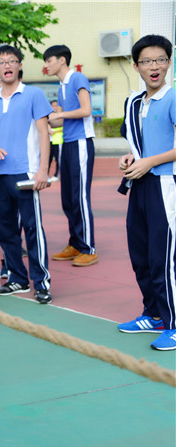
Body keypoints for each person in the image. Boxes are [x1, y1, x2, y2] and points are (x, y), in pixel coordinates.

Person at [0, 45, 53, 304]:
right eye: (1, 62)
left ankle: (41, 282)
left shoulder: (33, 94)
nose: (7, 65)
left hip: (25, 172)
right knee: (4, 229)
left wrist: (42, 170)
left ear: (20, 65)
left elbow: (44, 133)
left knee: (32, 228)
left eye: (12, 61)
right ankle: (17, 279)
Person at [116, 34, 176, 351]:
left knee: (163, 258)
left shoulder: (173, 98)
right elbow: (137, 145)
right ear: (136, 65)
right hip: (139, 183)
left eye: (160, 60)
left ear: (169, 62)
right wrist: (131, 158)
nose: (154, 67)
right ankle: (153, 314)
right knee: (140, 254)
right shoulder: (135, 102)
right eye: (147, 61)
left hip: (165, 183)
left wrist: (150, 161)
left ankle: (174, 323)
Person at [44, 44, 98, 267]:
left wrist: (59, 114)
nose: (46, 65)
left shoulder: (77, 78)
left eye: (49, 60)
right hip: (66, 144)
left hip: (81, 144)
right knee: (67, 198)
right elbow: (60, 119)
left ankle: (88, 248)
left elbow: (86, 110)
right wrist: (44, 119)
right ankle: (75, 243)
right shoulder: (61, 86)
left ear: (62, 60)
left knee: (80, 198)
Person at [48, 100, 63, 177]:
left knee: (58, 159)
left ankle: (57, 175)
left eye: (56, 105)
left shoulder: (61, 116)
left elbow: (65, 127)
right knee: (48, 159)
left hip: (58, 140)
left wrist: (55, 132)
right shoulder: (48, 115)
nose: (55, 107)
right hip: (49, 141)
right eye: (53, 106)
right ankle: (45, 175)